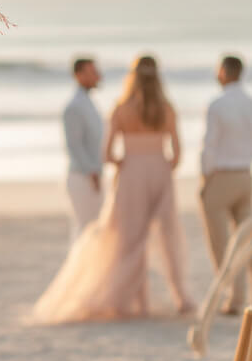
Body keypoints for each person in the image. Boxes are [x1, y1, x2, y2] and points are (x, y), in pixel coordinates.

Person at [31, 54, 194, 324]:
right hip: (160, 173)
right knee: (167, 236)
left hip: (131, 174)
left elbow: (107, 154)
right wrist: (160, 163)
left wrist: (126, 162)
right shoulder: (167, 108)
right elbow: (177, 155)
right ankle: (181, 297)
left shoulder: (121, 108)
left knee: (131, 238)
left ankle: (138, 302)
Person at [199, 54, 252, 314]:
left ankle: (235, 298)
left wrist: (206, 179)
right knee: (250, 238)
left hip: (222, 176)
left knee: (222, 243)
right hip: (245, 175)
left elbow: (209, 147)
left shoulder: (217, 105)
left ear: (225, 72)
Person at [63, 56, 104, 239]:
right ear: (78, 75)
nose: (98, 76)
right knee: (86, 228)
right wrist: (92, 172)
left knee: (94, 227)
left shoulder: (88, 102)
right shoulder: (74, 106)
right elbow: (74, 145)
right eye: (92, 72)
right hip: (83, 177)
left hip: (93, 174)